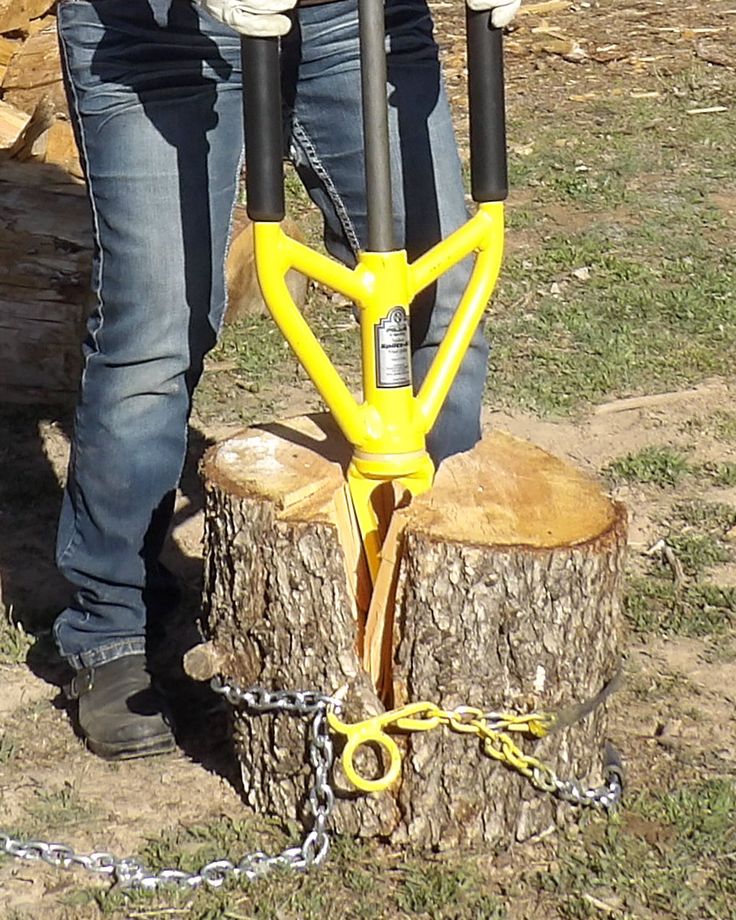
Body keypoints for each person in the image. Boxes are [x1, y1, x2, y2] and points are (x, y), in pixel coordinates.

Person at [54, 0, 520, 761]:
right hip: (157, 36)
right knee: (153, 339)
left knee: (441, 306)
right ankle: (112, 630)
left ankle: (437, 598)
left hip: (359, 21)